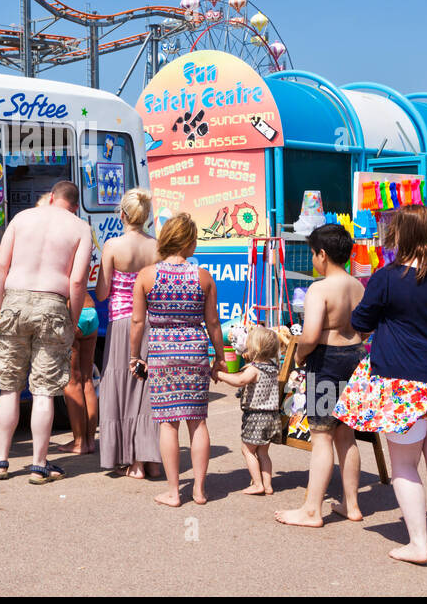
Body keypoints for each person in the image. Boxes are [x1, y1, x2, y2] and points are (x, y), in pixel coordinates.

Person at [334, 205, 427, 565]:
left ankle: (418, 544)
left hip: (402, 382)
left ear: (400, 235)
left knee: (405, 466)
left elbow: (360, 321)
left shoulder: (387, 277)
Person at [0, 181, 91, 483]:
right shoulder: (80, 228)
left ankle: (1, 461)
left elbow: (0, 268)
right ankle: (39, 465)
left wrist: (4, 307)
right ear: (74, 205)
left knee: (9, 386)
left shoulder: (22, 218)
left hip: (15, 298)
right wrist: (71, 317)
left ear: (52, 197)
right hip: (53, 301)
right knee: (43, 389)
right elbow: (78, 281)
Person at [130, 212, 226, 507]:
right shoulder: (203, 277)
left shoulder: (147, 276)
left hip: (161, 355)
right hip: (195, 352)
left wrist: (135, 356)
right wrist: (219, 358)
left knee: (168, 423)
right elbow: (213, 323)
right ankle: (198, 489)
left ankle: (174, 492)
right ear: (188, 243)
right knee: (197, 422)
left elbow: (136, 322)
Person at [274, 223, 367, 527]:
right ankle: (351, 504)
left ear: (322, 255)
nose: (313, 260)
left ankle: (312, 509)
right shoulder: (358, 286)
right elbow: (366, 327)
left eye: (313, 254)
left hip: (326, 362)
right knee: (346, 435)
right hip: (355, 358)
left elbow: (311, 334)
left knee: (322, 436)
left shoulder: (320, 288)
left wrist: (300, 355)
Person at [95, 188, 161, 477]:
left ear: (122, 215)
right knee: (145, 388)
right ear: (145, 216)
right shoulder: (157, 247)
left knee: (122, 385)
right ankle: (149, 458)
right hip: (151, 322)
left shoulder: (112, 246)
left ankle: (131, 460)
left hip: (122, 322)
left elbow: (102, 292)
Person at [213, 324, 283, 494]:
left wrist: (219, 375)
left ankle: (257, 484)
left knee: (248, 450)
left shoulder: (254, 369)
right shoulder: (273, 368)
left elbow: (239, 381)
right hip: (272, 416)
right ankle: (268, 485)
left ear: (254, 348)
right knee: (263, 453)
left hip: (256, 416)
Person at [57, 294, 99, 454]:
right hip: (91, 310)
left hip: (72, 312)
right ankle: (90, 441)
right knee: (87, 379)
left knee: (72, 380)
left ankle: (79, 442)